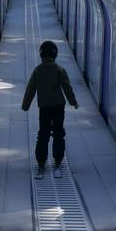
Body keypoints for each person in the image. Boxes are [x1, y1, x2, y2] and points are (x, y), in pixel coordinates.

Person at [21, 40, 78, 179]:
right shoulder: (59, 69)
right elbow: (67, 87)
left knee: (43, 134)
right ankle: (58, 161)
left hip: (44, 108)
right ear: (55, 54)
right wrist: (73, 102)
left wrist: (26, 105)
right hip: (58, 107)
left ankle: (41, 162)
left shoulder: (37, 70)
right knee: (58, 133)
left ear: (41, 54)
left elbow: (30, 89)